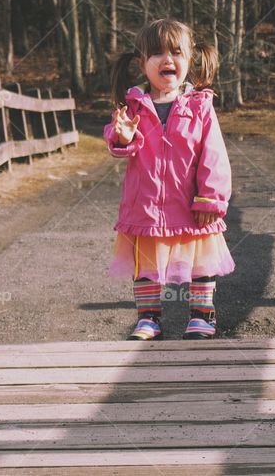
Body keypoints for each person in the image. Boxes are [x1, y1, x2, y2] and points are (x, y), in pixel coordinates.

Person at [104, 18, 235, 340]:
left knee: (201, 261)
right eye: (157, 53)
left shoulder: (199, 106)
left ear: (190, 60)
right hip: (145, 206)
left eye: (176, 53)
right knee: (146, 263)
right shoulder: (132, 106)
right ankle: (149, 318)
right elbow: (120, 144)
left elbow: (214, 154)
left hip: (192, 204)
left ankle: (202, 315)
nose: (167, 60)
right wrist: (123, 138)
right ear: (141, 63)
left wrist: (211, 198)